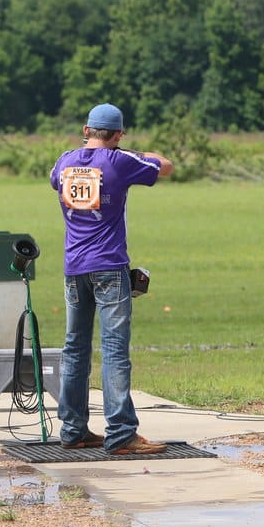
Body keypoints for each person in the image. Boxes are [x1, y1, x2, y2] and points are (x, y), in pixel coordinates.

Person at [49, 104, 174, 455]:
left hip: (74, 267)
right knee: (115, 350)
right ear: (117, 135)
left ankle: (73, 430)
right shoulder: (120, 161)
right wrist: (127, 150)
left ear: (86, 129)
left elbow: (53, 179)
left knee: (75, 349)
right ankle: (121, 432)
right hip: (109, 265)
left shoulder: (64, 161)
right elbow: (164, 166)